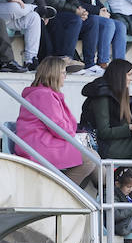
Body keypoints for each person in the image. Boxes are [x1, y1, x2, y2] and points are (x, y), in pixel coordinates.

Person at [14, 56, 102, 187]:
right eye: (63, 72)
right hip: (38, 146)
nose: (65, 76)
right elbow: (60, 130)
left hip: (43, 142)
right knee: (89, 159)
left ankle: (108, 189)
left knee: (93, 156)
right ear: (53, 74)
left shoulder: (46, 94)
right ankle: (61, 194)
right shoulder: (44, 95)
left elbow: (67, 126)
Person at [82, 59, 132, 165]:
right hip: (103, 146)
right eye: (129, 74)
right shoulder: (102, 96)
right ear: (120, 75)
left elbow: (122, 124)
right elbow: (104, 132)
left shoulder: (118, 93)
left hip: (115, 142)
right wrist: (130, 128)